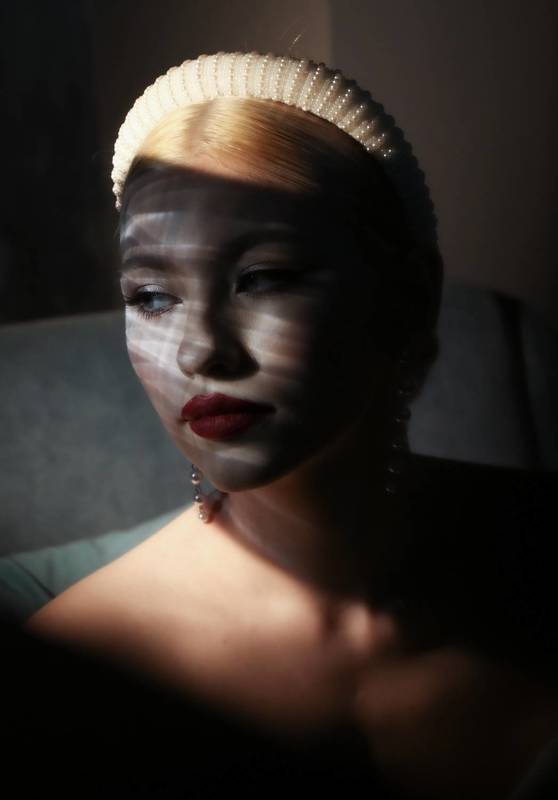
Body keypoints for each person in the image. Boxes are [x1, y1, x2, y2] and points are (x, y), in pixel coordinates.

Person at [23, 51, 558, 799]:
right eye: (150, 295)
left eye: (263, 278)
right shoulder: (81, 667)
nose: (200, 351)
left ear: (409, 297)